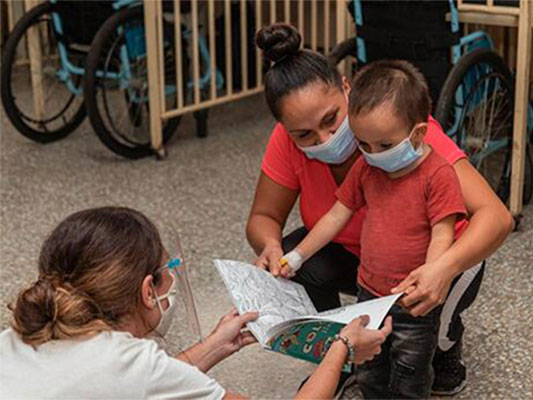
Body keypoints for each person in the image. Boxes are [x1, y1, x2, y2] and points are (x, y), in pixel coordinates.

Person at [247, 23, 514, 396]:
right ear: (285, 130)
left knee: (419, 341)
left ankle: (447, 344)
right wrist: (276, 249)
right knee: (310, 269)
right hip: (371, 265)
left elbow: (495, 217)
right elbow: (266, 218)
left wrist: (441, 268)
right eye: (304, 135)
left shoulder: (402, 130)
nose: (324, 140)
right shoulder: (319, 152)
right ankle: (337, 359)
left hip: (446, 259)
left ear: (346, 88)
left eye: (331, 120)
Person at [0, 206, 391, 400]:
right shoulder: (133, 364)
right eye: (168, 268)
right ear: (146, 290)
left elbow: (140, 383)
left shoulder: (15, 338)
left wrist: (215, 346)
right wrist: (341, 346)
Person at [279, 59, 466, 399]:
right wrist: (297, 254)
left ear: (418, 133)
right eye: (363, 144)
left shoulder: (438, 175)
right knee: (369, 368)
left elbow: (443, 231)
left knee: (410, 371)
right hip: (369, 294)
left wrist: (430, 273)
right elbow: (336, 215)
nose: (371, 154)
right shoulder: (366, 168)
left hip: (413, 299)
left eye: (384, 145)